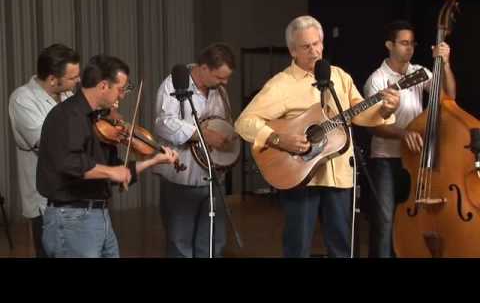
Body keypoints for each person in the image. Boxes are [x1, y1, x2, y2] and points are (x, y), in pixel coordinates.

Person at [234, 15, 400, 258]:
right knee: (297, 247)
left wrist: (386, 109)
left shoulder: (339, 77)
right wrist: (279, 139)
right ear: (292, 51)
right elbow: (244, 122)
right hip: (299, 175)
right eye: (305, 46)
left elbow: (359, 113)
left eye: (317, 43)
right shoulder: (281, 84)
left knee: (342, 246)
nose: (314, 51)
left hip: (339, 173)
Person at [37, 54, 179, 258]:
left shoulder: (99, 120)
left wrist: (154, 160)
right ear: (103, 86)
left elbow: (115, 171)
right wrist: (112, 172)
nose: (122, 97)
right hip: (71, 217)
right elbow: (71, 164)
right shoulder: (68, 115)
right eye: (120, 90)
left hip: (98, 215)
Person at [363, 20, 456, 258]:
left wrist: (444, 65)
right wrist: (403, 134)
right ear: (389, 45)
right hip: (386, 158)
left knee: (412, 218)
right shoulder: (376, 80)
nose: (409, 48)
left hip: (415, 159)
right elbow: (374, 126)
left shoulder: (420, 73)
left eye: (412, 43)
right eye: (403, 43)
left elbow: (448, 99)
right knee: (384, 221)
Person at [154, 43, 236, 258]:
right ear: (204, 68)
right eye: (220, 77)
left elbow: (224, 124)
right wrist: (201, 134)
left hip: (213, 178)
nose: (224, 82)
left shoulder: (220, 91)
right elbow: (163, 123)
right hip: (181, 178)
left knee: (212, 242)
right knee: (180, 243)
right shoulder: (173, 83)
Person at [8, 43, 81, 257]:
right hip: (46, 200)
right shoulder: (22, 99)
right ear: (52, 79)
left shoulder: (68, 96)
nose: (78, 81)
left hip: (76, 194)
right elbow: (49, 144)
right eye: (72, 77)